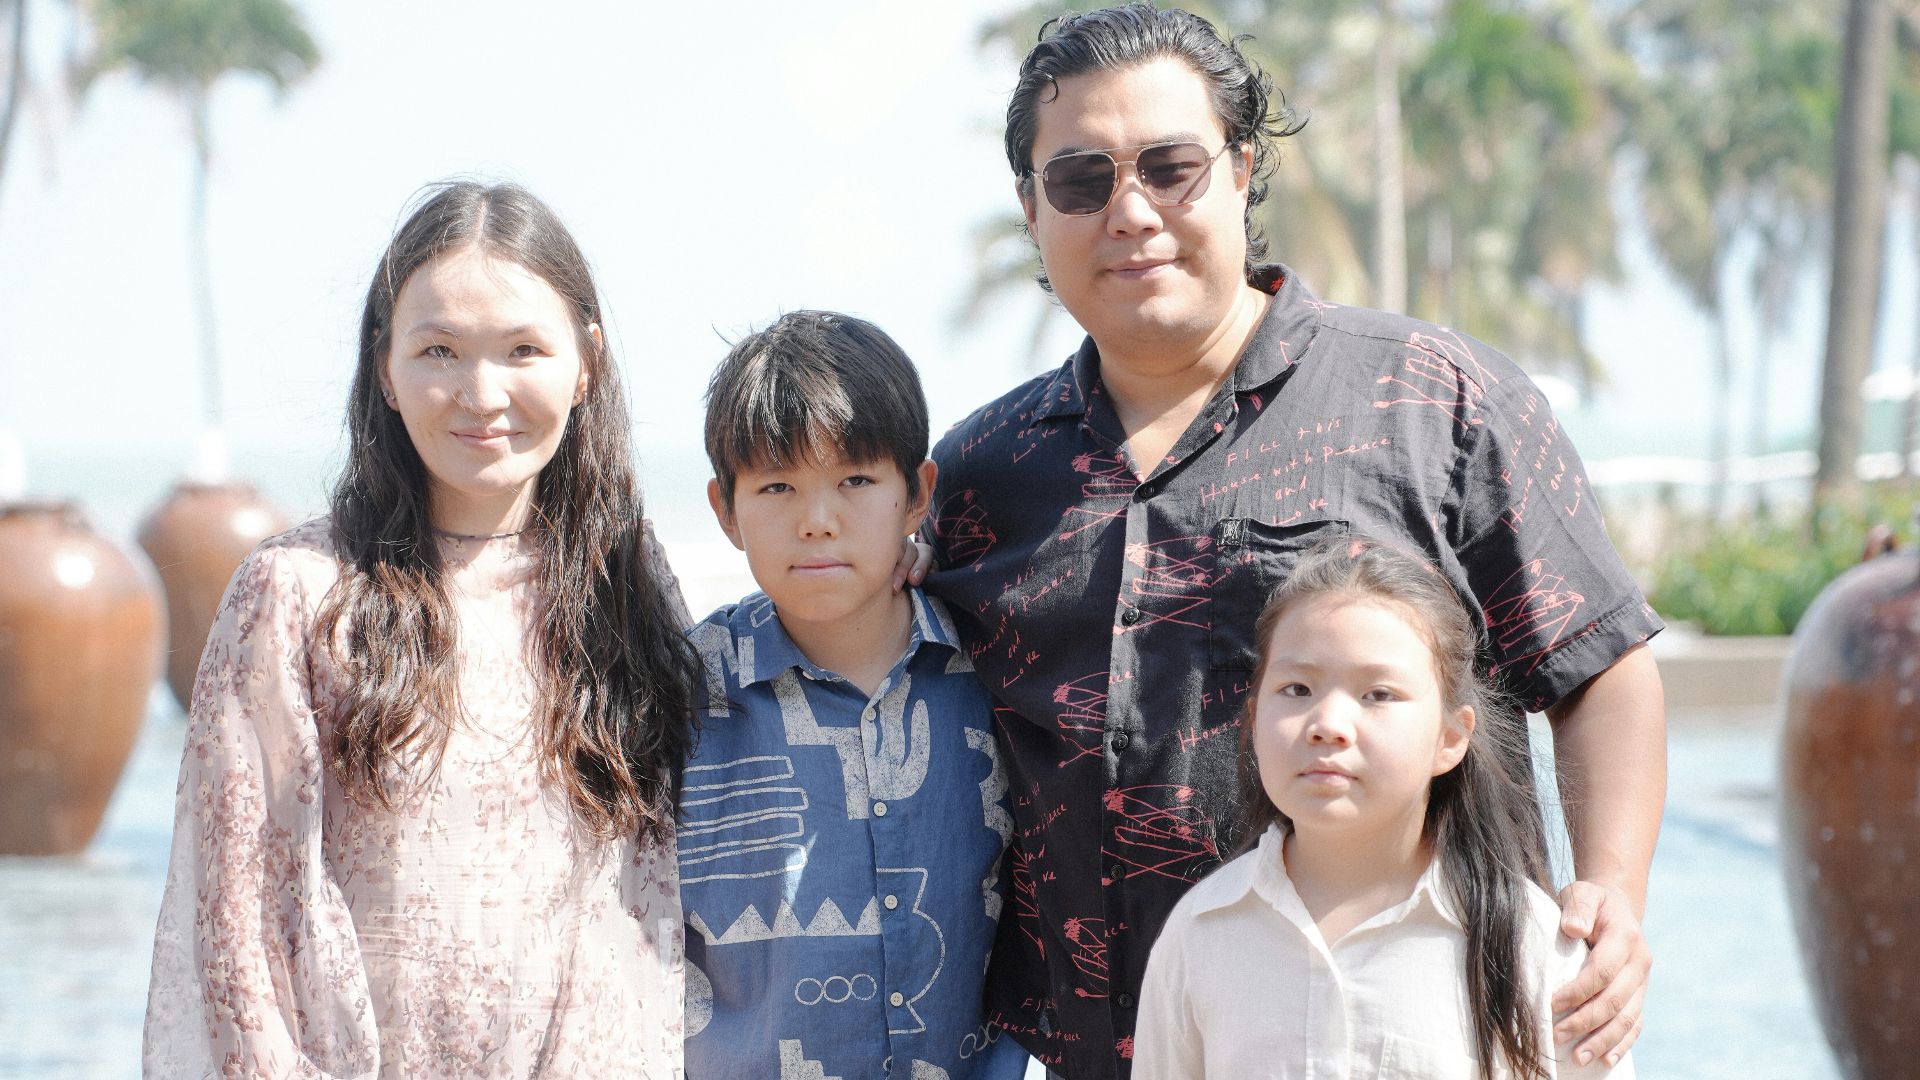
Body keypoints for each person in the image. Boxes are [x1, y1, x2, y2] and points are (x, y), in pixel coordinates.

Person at [924, 5, 1665, 1078]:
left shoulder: (1437, 404)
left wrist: (1613, 895)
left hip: (1413, 1035)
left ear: (1240, 169)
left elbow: (1599, 664)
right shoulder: (983, 475)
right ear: (1032, 209)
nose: (1129, 212)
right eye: (1082, 180)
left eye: (1169, 166)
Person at [143, 182, 700, 1077]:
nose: (481, 395)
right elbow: (237, 930)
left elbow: (681, 871)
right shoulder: (299, 593)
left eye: (524, 349)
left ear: (586, 363)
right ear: (386, 368)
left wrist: (897, 576)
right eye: (439, 350)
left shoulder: (626, 583)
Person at [1131, 538, 1634, 1080]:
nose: (1328, 724)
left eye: (1378, 694)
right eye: (1297, 688)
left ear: (1449, 737)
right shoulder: (1201, 932)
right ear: (1253, 719)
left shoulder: (1533, 944)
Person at [679, 311, 1028, 1078]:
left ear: (916, 494)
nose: (817, 521)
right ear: (724, 511)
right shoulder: (671, 702)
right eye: (777, 485)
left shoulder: (1002, 670)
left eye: (856, 480)